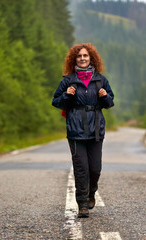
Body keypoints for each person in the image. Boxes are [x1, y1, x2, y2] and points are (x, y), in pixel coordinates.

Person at [52, 43, 114, 218]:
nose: (82, 58)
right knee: (81, 169)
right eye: (79, 56)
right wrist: (67, 95)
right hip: (75, 130)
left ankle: (91, 192)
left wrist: (105, 96)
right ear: (74, 59)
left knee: (95, 169)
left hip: (95, 129)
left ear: (91, 58)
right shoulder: (68, 80)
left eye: (85, 56)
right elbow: (56, 101)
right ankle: (83, 204)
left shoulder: (101, 80)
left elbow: (110, 103)